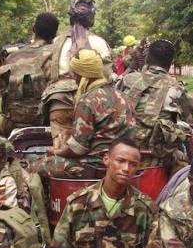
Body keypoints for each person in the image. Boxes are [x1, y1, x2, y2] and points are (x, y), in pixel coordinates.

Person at [22, 137, 164, 248]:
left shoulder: (145, 208)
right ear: (106, 159)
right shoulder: (79, 203)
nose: (126, 168)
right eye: (120, 161)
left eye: (133, 164)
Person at [35, 49, 135, 179]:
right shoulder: (124, 97)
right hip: (120, 163)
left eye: (75, 74)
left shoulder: (88, 100)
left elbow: (78, 148)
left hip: (95, 166)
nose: (74, 79)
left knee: (39, 166)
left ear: (82, 76)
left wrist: (57, 152)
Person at [118, 39, 193, 174]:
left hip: (120, 150)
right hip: (157, 158)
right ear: (170, 63)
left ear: (148, 58)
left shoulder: (127, 79)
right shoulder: (178, 89)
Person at [41, 0, 112, 150]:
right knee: (93, 148)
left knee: (61, 150)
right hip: (93, 102)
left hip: (59, 102)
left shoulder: (56, 42)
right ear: (91, 18)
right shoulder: (99, 42)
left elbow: (46, 71)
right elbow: (107, 75)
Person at [0, 13, 59, 137]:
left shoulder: (12, 57)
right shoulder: (58, 55)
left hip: (13, 123)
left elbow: (3, 93)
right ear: (55, 34)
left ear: (33, 29)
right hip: (49, 122)